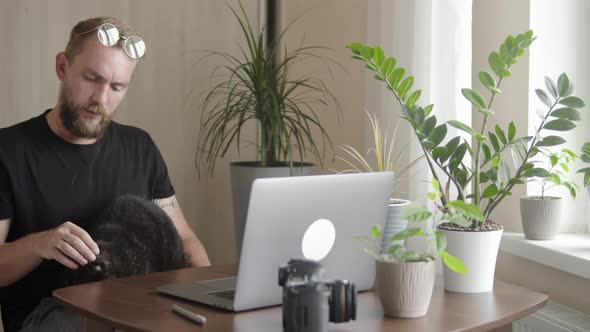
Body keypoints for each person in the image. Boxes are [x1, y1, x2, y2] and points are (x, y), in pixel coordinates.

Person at [0, 17, 210, 332]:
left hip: (138, 308)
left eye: (116, 87)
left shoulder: (140, 147)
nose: (101, 99)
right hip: (49, 313)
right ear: (62, 67)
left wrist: (207, 295)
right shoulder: (9, 150)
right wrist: (40, 244)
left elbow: (185, 239)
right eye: (91, 79)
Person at [19, 195, 190, 332]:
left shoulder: (144, 154)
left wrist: (198, 293)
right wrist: (36, 244)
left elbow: (187, 237)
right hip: (63, 304)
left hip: (144, 293)